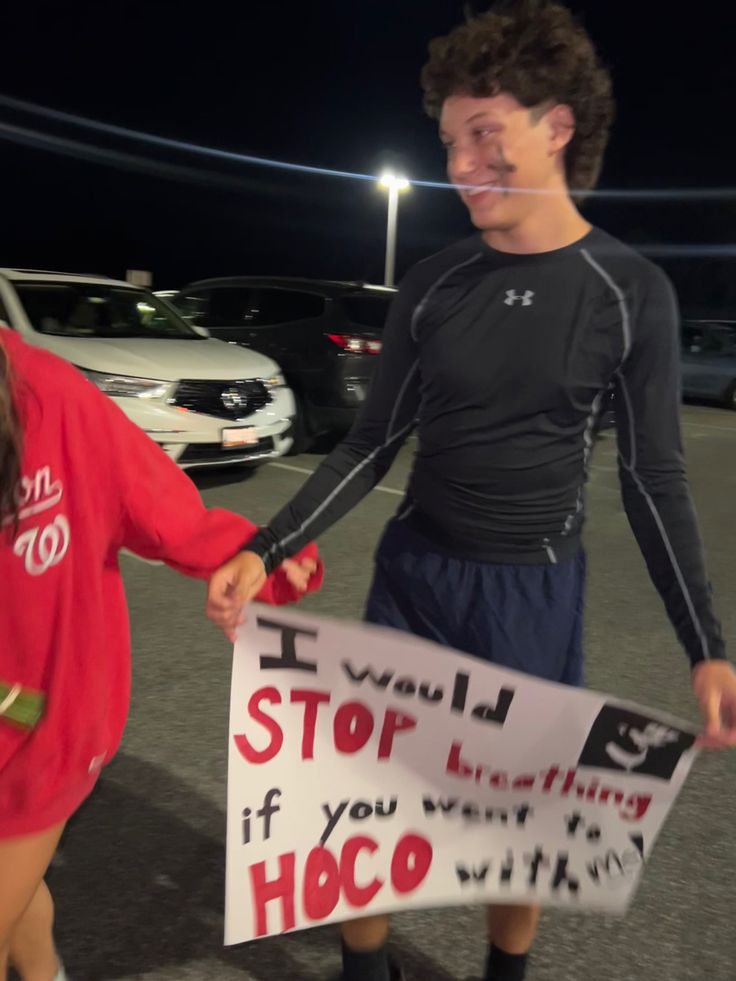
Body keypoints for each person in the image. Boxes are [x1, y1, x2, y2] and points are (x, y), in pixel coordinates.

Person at [207, 2, 736, 979]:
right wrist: (262, 546)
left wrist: (703, 645)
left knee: (516, 822)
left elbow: (654, 480)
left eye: (481, 134)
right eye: (448, 141)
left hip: (530, 594)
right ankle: (365, 972)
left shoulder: (628, 292)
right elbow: (371, 445)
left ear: (556, 127)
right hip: (413, 575)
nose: (457, 165)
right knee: (362, 792)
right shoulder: (436, 281)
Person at [0, 329, 322, 981]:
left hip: (43, 719)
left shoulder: (51, 394)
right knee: (19, 898)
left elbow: (163, 508)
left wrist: (260, 556)